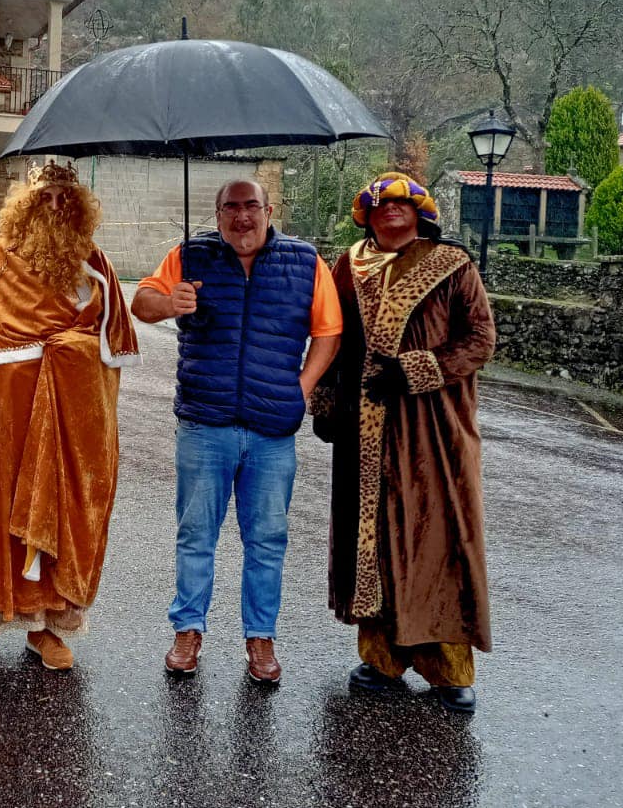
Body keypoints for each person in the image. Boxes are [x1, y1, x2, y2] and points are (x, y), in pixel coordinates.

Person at [132, 178, 342, 684]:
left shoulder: (305, 262)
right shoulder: (190, 256)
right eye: (231, 208)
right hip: (205, 423)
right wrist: (170, 303)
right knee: (196, 535)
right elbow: (141, 302)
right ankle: (188, 631)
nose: (242, 217)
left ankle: (260, 638)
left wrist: (302, 387)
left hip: (272, 429)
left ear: (270, 210)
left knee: (268, 539)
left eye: (252, 207)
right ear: (218, 212)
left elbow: (328, 330)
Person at [0, 161, 140, 672]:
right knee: (2, 508)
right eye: (45, 197)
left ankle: (46, 625)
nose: (55, 205)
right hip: (8, 413)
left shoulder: (93, 261)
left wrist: (70, 349)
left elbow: (111, 343)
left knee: (60, 508)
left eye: (65, 197)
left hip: (71, 414)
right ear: (25, 206)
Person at [318, 172, 495, 714]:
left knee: (435, 538)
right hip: (363, 427)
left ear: (421, 213)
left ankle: (449, 670)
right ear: (365, 215)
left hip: (432, 429)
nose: (390, 210)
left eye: (401, 203)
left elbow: (480, 339)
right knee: (370, 539)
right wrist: (326, 401)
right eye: (380, 205)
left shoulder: (453, 265)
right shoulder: (346, 266)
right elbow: (330, 337)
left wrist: (418, 369)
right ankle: (382, 661)